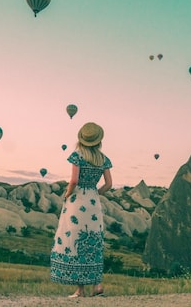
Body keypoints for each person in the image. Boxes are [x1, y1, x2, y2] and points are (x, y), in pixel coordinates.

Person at [50, 122, 113, 298]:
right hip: (93, 202)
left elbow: (74, 181)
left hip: (77, 202)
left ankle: (80, 290)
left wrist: (66, 195)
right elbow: (109, 184)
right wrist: (96, 193)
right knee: (94, 241)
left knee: (75, 239)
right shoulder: (103, 159)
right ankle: (98, 285)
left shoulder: (77, 156)